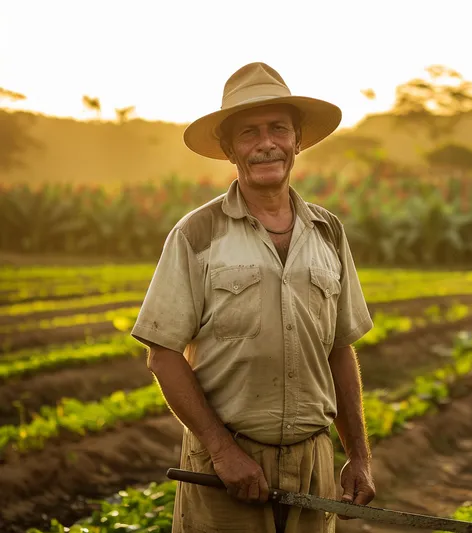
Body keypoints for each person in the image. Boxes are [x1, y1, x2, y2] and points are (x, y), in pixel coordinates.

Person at [130, 62, 375, 533]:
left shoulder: (327, 232)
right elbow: (163, 355)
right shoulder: (196, 234)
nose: (266, 143)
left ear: (297, 140)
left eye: (278, 129)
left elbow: (340, 348)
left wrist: (360, 456)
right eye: (249, 133)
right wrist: (222, 451)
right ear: (229, 149)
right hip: (227, 467)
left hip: (312, 462)